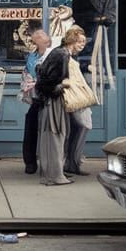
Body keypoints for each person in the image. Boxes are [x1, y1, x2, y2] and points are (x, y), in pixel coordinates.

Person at [33, 33, 72, 186]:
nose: (82, 45)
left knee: (53, 135)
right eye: (79, 41)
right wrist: (61, 86)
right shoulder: (61, 55)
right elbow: (47, 81)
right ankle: (54, 175)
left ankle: (52, 172)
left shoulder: (57, 53)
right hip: (53, 101)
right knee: (55, 135)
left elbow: (41, 76)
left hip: (48, 100)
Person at [60, 26, 92, 177]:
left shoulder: (71, 56)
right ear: (72, 40)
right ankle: (71, 162)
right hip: (72, 98)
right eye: (80, 41)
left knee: (76, 130)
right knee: (80, 127)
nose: (82, 44)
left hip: (75, 98)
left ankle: (72, 162)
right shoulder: (65, 55)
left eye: (84, 42)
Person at [21, 27, 52, 174]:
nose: (42, 37)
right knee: (31, 126)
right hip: (36, 97)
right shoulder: (32, 56)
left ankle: (53, 162)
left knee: (52, 131)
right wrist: (28, 80)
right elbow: (27, 71)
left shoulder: (52, 54)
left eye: (42, 35)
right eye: (37, 37)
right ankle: (30, 162)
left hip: (50, 97)